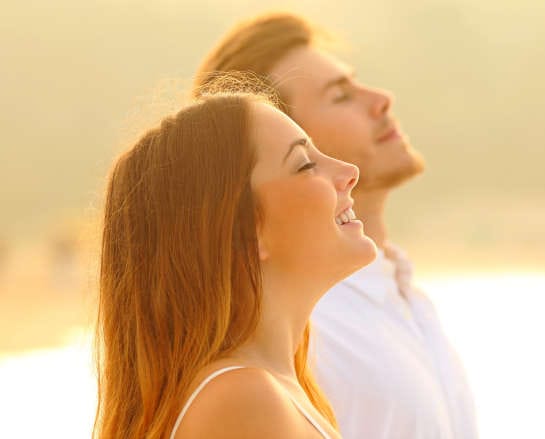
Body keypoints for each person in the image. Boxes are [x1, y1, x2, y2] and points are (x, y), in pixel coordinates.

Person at [195, 13, 478, 438]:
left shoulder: (408, 296)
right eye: (340, 95)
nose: (381, 99)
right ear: (285, 135)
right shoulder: (295, 330)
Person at [94, 90, 377, 439]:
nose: (350, 171)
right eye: (305, 164)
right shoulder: (244, 400)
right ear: (243, 230)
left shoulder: (273, 391)